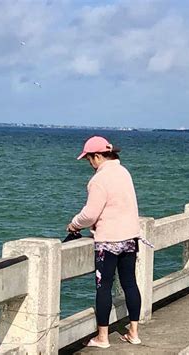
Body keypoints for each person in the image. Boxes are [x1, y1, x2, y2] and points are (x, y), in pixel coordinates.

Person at [67, 136, 143, 349]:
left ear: (98, 156)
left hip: (108, 241)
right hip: (130, 237)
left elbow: (90, 214)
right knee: (129, 283)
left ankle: (102, 338)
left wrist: (74, 224)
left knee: (104, 287)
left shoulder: (98, 180)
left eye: (89, 159)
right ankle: (134, 332)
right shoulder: (124, 172)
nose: (89, 164)